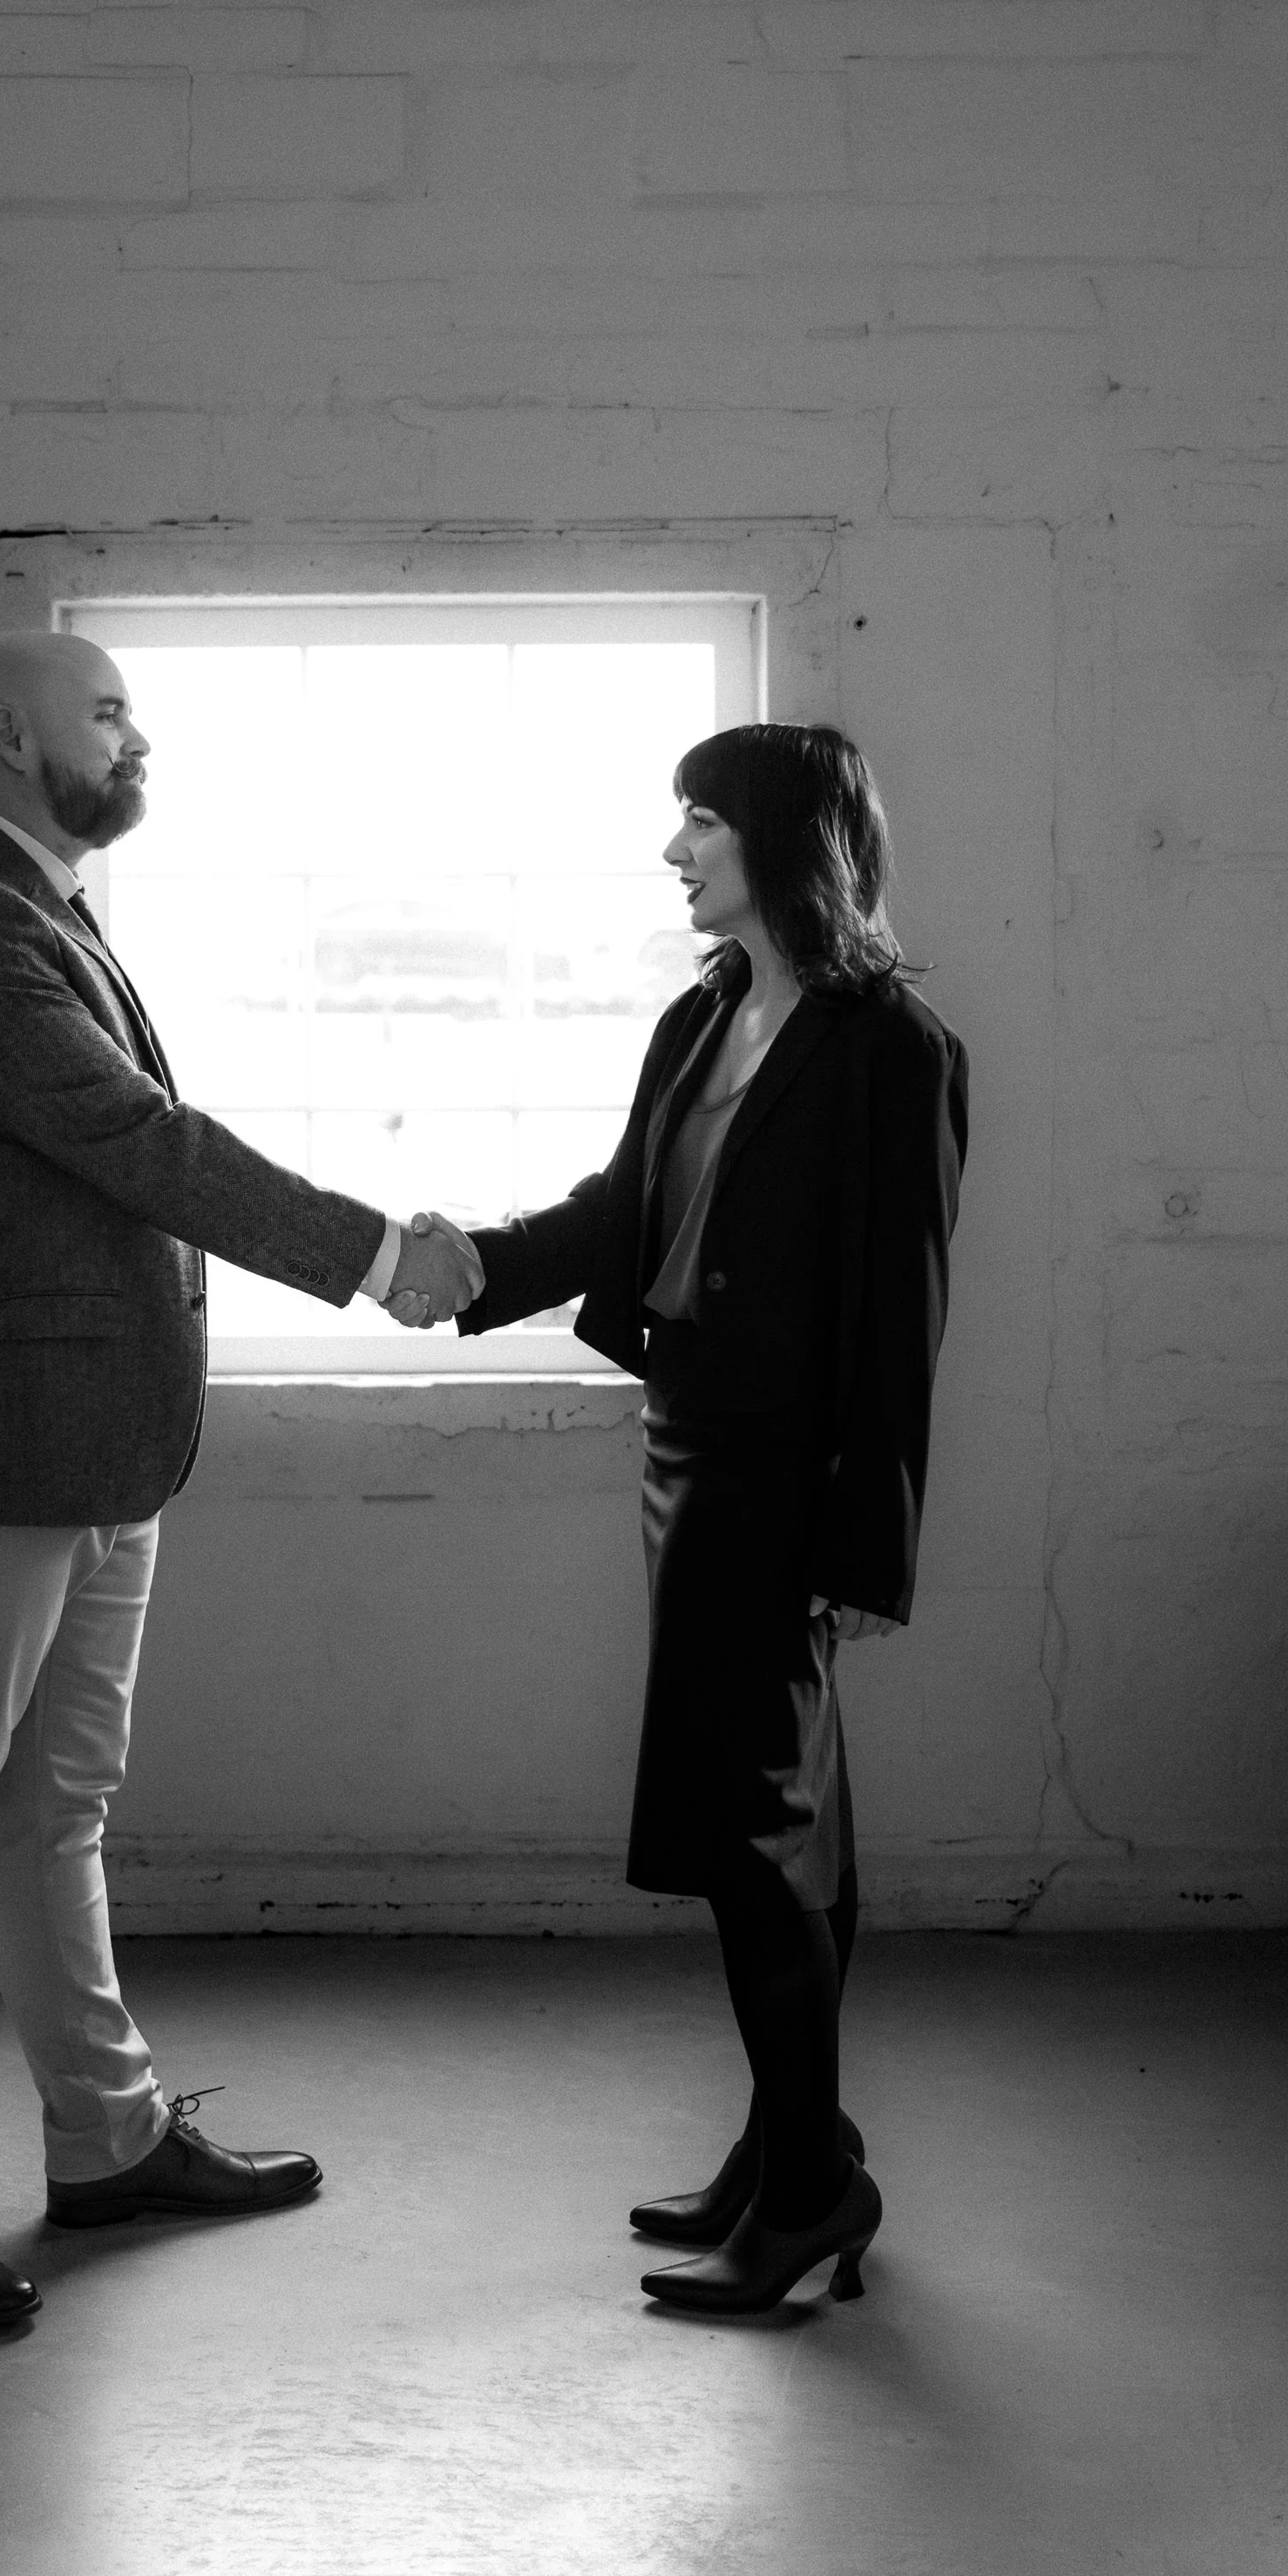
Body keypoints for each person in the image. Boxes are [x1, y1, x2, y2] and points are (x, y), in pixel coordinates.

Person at [0, 628, 480, 2330]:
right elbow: (132, 1141)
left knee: (52, 1813)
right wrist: (369, 1253)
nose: (138, 738)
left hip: (82, 1443)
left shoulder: (26, 902)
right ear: (6, 737)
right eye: (105, 711)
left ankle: (103, 2142)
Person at [456, 722, 966, 2316]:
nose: (674, 852)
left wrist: (866, 1542)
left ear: (781, 839)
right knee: (793, 1812)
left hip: (791, 1477)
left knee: (760, 1838)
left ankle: (811, 2190)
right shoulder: (706, 1011)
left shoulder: (896, 1049)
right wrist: (463, 1265)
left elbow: (904, 1318)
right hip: (689, 1445)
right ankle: (788, 2143)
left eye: (698, 822)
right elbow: (627, 1212)